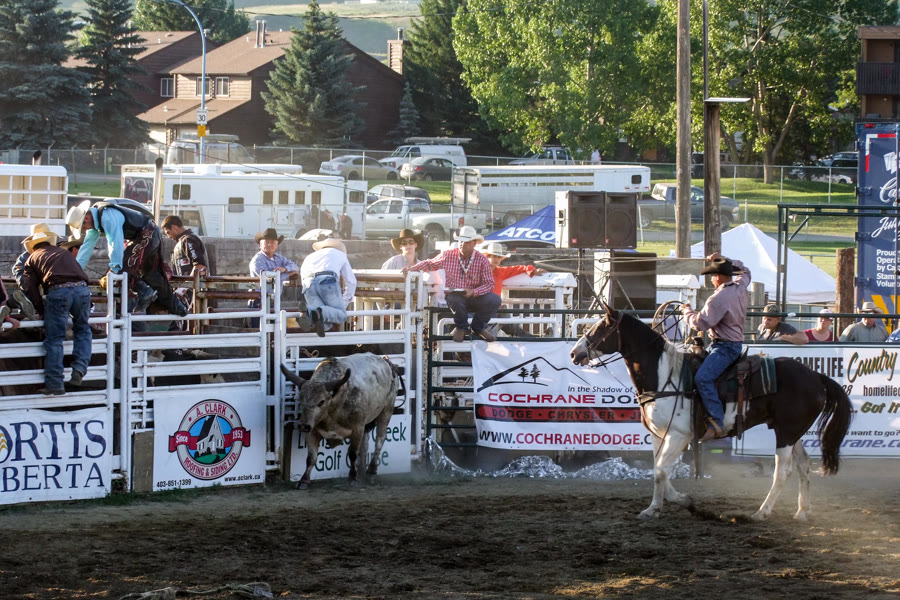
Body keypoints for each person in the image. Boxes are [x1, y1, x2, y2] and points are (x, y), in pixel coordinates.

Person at [66, 199, 187, 316]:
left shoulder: (107, 217)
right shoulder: (99, 218)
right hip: (147, 235)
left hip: (146, 235)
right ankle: (178, 307)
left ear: (86, 218)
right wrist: (75, 270)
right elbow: (86, 248)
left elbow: (115, 243)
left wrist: (114, 268)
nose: (85, 230)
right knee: (149, 273)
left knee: (124, 269)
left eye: (83, 227)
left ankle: (145, 292)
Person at [681, 253, 752, 442]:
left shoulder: (718, 298)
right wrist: (723, 259)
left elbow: (700, 323)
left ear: (718, 277)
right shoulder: (740, 286)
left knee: (703, 378)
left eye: (712, 275)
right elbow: (745, 270)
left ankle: (717, 423)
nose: (712, 279)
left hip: (724, 348)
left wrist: (686, 311)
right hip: (730, 344)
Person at [20, 230, 92, 395]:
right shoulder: (63, 252)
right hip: (82, 290)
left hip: (59, 291)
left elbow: (29, 288)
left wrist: (41, 309)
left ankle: (55, 384)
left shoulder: (32, 258)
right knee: (83, 329)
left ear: (33, 248)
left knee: (54, 339)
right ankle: (79, 369)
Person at [402, 225, 501, 343]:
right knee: (454, 298)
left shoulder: (482, 260)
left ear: (474, 243)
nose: (462, 244)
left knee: (495, 299)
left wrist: (474, 291)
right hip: (456, 298)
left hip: (475, 297)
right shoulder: (448, 255)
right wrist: (412, 268)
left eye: (466, 241)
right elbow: (430, 264)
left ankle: (478, 327)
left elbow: (489, 284)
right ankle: (462, 327)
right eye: (461, 241)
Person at [300, 236, 356, 337]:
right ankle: (316, 312)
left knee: (323, 321)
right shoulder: (340, 254)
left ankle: (308, 311)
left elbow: (303, 276)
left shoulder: (310, 256)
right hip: (327, 280)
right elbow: (351, 281)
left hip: (307, 284)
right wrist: (345, 302)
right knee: (341, 315)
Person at [10, 222, 51, 320]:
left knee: (27, 290)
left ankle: (23, 301)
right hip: (42, 287)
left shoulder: (25, 257)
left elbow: (18, 271)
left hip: (35, 287)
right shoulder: (54, 253)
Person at [480, 242, 547, 297]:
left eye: (499, 257)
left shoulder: (501, 271)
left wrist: (533, 270)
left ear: (501, 259)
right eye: (494, 256)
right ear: (488, 257)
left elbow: (518, 268)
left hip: (494, 305)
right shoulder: (480, 270)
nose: (496, 259)